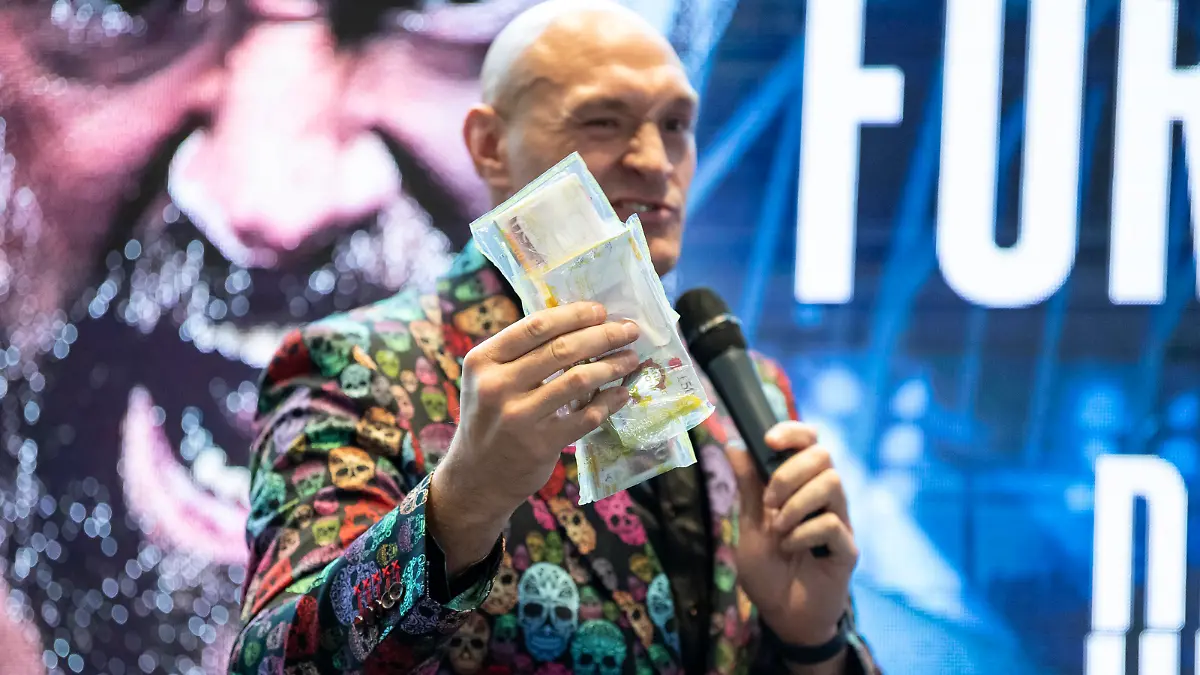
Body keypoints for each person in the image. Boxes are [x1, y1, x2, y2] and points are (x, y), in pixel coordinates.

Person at [232, 1, 879, 673]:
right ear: (490, 145)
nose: (656, 161)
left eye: (676, 125)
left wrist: (814, 643)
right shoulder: (358, 366)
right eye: (603, 121)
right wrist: (462, 506)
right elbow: (269, 662)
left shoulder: (747, 391)